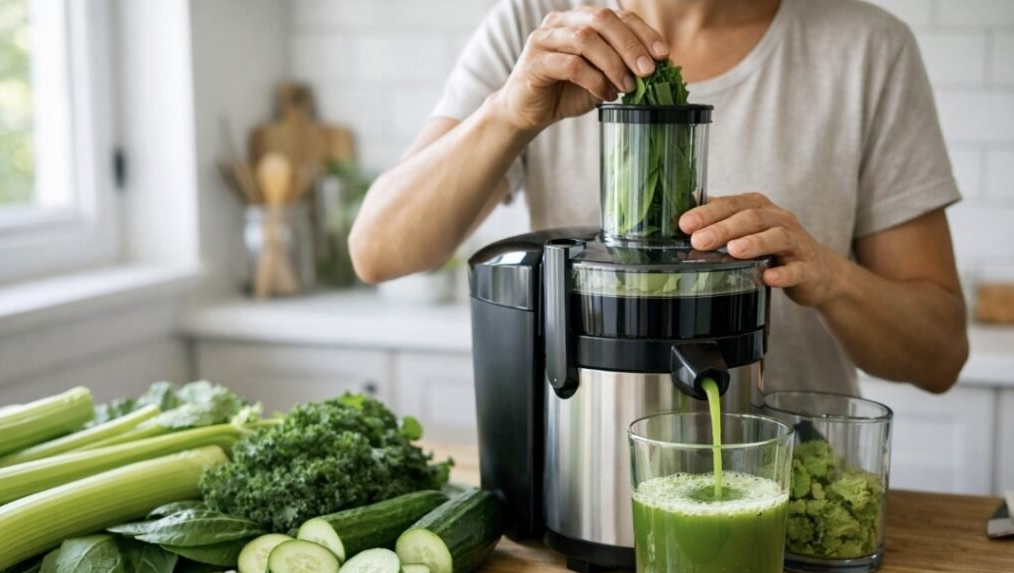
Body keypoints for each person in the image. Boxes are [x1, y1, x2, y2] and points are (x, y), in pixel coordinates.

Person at [349, 0, 968, 395]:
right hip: (586, 473)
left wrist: (828, 274)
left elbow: (939, 355)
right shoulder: (539, 24)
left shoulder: (867, 49)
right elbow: (379, 250)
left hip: (791, 489)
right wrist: (509, 112)